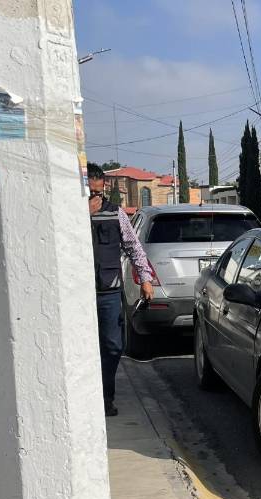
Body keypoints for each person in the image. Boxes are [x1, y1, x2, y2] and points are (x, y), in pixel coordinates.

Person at [87, 162, 155, 417]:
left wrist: (145, 278)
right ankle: (89, 396)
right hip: (77, 295)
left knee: (113, 346)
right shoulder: (67, 216)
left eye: (98, 193)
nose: (95, 198)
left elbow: (134, 248)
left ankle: (106, 396)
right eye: (90, 193)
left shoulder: (116, 213)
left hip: (108, 292)